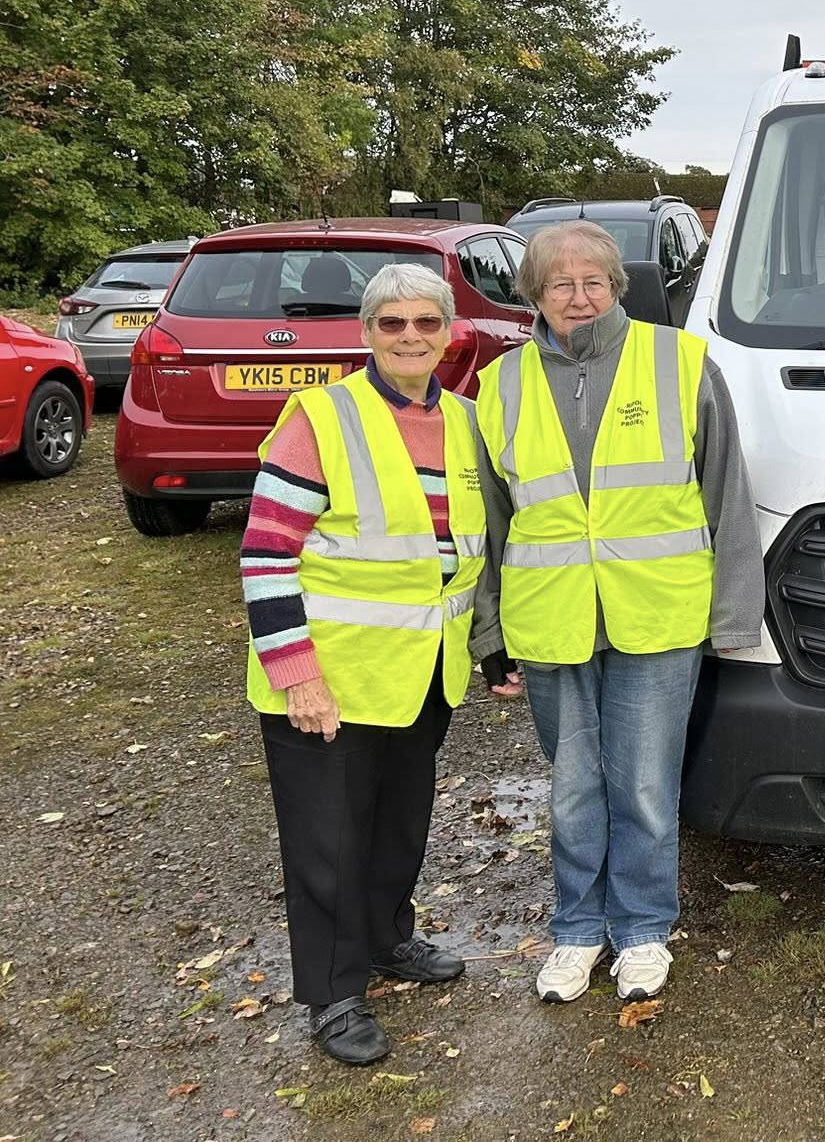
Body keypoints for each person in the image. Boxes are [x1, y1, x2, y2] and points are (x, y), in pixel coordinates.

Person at [471, 221, 764, 1006]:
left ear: (616, 285)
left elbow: (726, 496)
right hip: (552, 618)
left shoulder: (678, 362)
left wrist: (736, 616)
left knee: (641, 785)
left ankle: (640, 928)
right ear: (533, 294)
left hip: (658, 615)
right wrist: (489, 627)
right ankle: (576, 929)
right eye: (560, 284)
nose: (578, 296)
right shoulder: (499, 385)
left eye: (593, 281)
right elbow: (492, 519)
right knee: (571, 786)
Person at [241, 263, 488, 1065]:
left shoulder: (464, 420)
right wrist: (298, 674)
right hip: (330, 679)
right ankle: (334, 992)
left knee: (397, 829)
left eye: (425, 322)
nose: (410, 336)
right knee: (327, 845)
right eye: (392, 324)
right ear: (366, 333)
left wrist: (488, 650)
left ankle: (388, 941)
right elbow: (268, 553)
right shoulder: (320, 416)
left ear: (449, 332)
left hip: (422, 671)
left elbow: (469, 555)